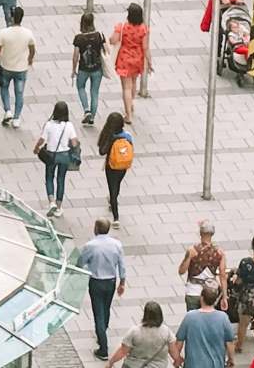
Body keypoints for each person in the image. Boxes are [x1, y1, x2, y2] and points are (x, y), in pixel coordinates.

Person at [78, 218, 127, 361]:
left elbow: (81, 261)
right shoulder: (116, 244)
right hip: (111, 282)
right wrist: (122, 282)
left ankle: (103, 348)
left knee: (98, 313)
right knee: (106, 309)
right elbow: (121, 265)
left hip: (96, 282)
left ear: (97, 228)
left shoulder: (90, 245)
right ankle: (102, 333)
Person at [172, 285, 235, 368]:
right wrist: (231, 360)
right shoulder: (223, 317)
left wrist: (177, 359)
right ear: (215, 301)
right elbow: (229, 342)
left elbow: (179, 341)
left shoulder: (190, 317)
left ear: (201, 298)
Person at [33, 101, 78, 217]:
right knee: (61, 179)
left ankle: (51, 201)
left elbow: (42, 140)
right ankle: (59, 207)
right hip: (64, 156)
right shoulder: (69, 125)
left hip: (51, 156)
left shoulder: (49, 125)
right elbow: (74, 143)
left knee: (49, 177)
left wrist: (36, 148)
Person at [0, 6, 35, 128]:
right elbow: (32, 48)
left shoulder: (4, 33)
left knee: (4, 88)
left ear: (11, 17)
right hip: (21, 68)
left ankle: (7, 110)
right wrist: (30, 59)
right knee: (19, 93)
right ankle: (17, 118)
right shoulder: (28, 33)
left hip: (6, 66)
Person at [111, 3, 150, 124]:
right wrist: (149, 62)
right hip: (138, 59)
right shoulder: (143, 28)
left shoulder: (122, 27)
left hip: (124, 60)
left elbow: (113, 40)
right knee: (133, 82)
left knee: (126, 88)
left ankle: (128, 115)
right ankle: (131, 104)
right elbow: (145, 47)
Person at [105, 302, 174, 368]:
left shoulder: (135, 331)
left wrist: (111, 362)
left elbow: (123, 351)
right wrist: (178, 360)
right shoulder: (167, 332)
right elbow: (173, 351)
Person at [72, 12, 108, 125]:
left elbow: (76, 55)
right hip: (97, 69)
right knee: (94, 92)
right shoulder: (99, 35)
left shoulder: (79, 38)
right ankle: (92, 117)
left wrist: (73, 69)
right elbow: (107, 51)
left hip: (83, 69)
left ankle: (86, 110)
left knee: (81, 86)